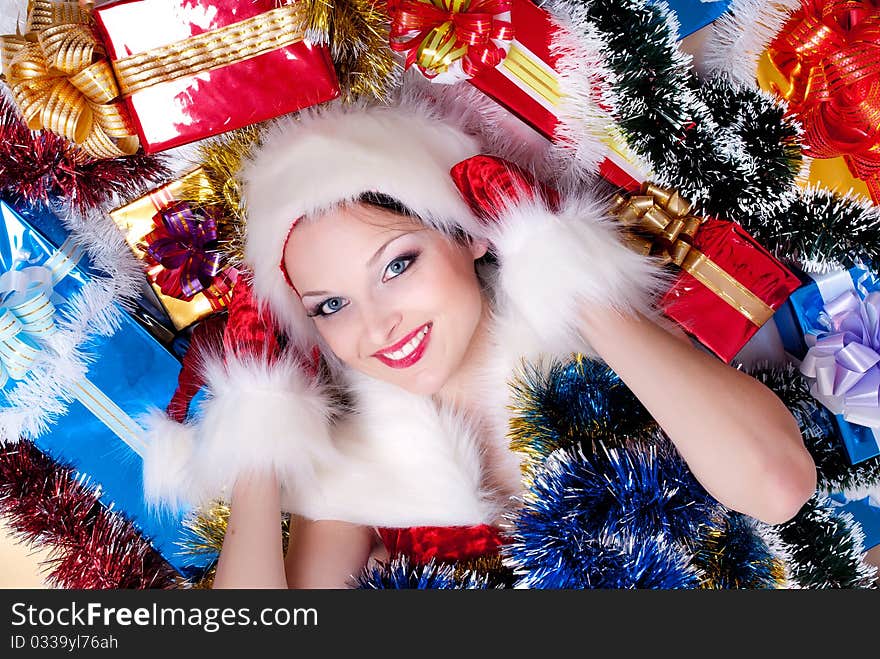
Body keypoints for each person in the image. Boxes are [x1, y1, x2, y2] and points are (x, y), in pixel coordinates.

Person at [143, 97, 817, 589]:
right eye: (331, 305)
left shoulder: (595, 353)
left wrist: (565, 270)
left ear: (470, 232)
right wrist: (260, 416)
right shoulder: (356, 464)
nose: (377, 326)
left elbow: (779, 486)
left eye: (397, 265)